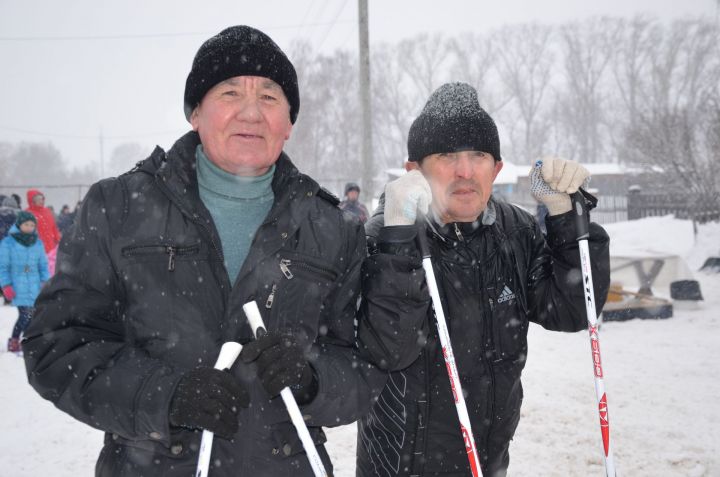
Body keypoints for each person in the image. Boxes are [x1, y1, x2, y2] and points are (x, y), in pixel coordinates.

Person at [23, 25, 381, 477]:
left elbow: (362, 370)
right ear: (195, 112)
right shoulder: (118, 208)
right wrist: (164, 394)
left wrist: (311, 379)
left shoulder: (332, 228)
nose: (251, 113)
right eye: (230, 93)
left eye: (270, 97)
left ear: (289, 124)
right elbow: (57, 346)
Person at [356, 82, 610, 477]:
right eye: (446, 155)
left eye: (478, 155)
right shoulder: (380, 239)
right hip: (399, 467)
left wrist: (565, 218)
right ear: (413, 171)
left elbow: (572, 309)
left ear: (497, 169)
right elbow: (387, 347)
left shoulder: (516, 232)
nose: (464, 170)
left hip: (488, 461)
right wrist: (399, 239)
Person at [0, 211, 49, 352]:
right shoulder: (8, 243)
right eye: (26, 224)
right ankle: (15, 340)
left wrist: (45, 281)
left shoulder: (38, 243)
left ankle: (25, 341)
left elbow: (43, 265)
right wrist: (6, 285)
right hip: (17, 286)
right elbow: (3, 266)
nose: (29, 227)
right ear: (19, 224)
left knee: (31, 316)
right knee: (25, 314)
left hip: (34, 286)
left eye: (32, 225)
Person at [25, 189, 61, 254]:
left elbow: (54, 228)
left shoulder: (47, 211)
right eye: (38, 199)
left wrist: (58, 239)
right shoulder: (27, 213)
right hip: (34, 249)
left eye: (42, 198)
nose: (41, 201)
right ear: (32, 200)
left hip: (50, 248)